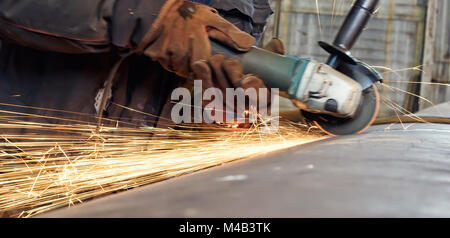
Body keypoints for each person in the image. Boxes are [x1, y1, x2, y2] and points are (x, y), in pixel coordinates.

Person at [0, 0, 283, 128]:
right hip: (28, 155)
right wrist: (144, 16)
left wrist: (220, 112)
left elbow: (192, 88)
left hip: (134, 180)